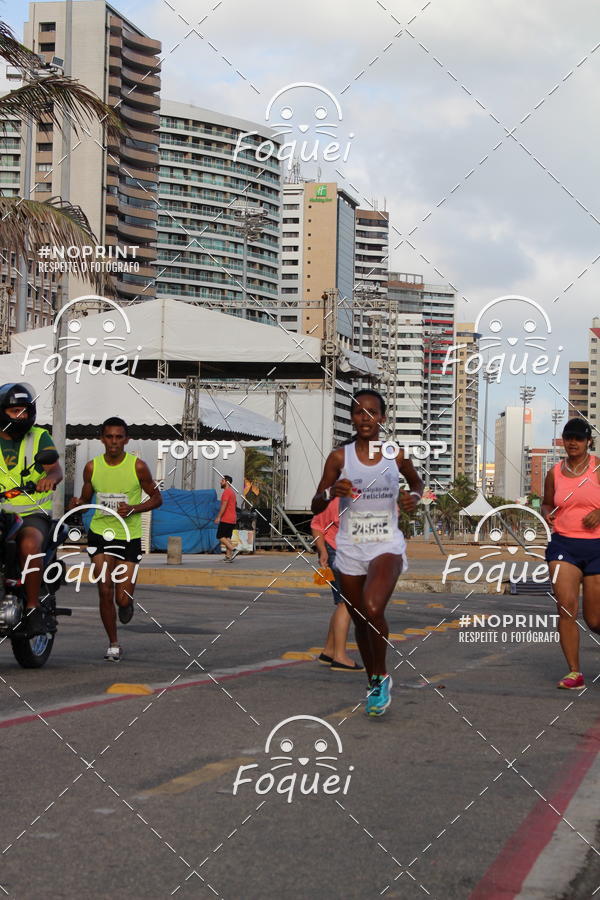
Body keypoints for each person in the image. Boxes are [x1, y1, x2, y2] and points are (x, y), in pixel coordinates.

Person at [311, 389, 423, 716]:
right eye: (359, 412)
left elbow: (416, 484)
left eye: (372, 412)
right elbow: (315, 503)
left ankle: (382, 674)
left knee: (373, 607)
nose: (366, 418)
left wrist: (414, 499)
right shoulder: (339, 458)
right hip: (350, 547)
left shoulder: (395, 454)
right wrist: (332, 492)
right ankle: (374, 680)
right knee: (360, 618)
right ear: (352, 417)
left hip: (386, 543)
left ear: (382, 418)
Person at [71, 417, 162, 661]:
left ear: (126, 440)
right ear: (102, 439)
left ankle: (127, 603)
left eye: (119, 437)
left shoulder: (138, 467)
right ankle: (113, 643)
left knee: (121, 598)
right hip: (100, 533)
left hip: (129, 536)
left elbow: (157, 498)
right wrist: (78, 502)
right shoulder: (92, 467)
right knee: (104, 589)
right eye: (109, 437)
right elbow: (86, 497)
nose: (114, 442)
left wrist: (134, 509)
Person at [0, 382, 63, 636]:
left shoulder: (39, 436)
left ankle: (33, 607)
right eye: (15, 411)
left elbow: (55, 469)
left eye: (25, 411)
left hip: (30, 513)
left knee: (29, 544)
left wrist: (50, 479)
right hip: (1, 513)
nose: (21, 416)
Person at [542, 417, 600, 689]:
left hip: (597, 546)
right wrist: (548, 513)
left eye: (579, 438)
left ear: (588, 441)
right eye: (569, 438)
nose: (573, 442)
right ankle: (574, 673)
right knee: (566, 607)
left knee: (595, 620)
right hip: (563, 545)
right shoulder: (554, 473)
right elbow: (546, 503)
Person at [311, 496, 363, 671]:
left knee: (344, 603)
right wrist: (323, 551)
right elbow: (317, 525)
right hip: (338, 552)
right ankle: (340, 657)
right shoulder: (337, 499)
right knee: (347, 603)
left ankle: (329, 651)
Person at [215, 475, 239, 562]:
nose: (220, 482)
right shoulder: (232, 493)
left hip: (226, 518)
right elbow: (235, 505)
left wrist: (218, 517)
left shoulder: (226, 492)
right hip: (232, 519)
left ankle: (234, 550)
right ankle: (228, 557)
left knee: (220, 536)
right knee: (227, 537)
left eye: (222, 481)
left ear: (227, 482)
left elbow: (224, 506)